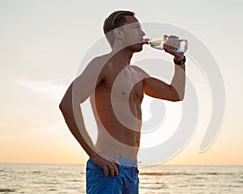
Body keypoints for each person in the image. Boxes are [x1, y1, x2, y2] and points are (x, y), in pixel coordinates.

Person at [59, 10, 186, 194]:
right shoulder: (103, 64)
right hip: (108, 168)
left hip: (132, 171)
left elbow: (176, 94)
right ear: (118, 33)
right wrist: (94, 154)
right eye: (136, 28)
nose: (143, 34)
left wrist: (179, 59)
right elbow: (67, 104)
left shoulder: (138, 74)